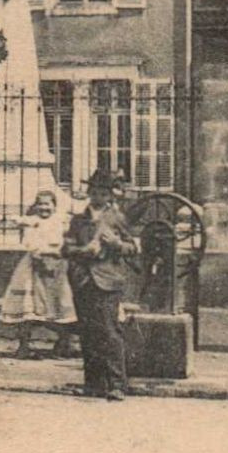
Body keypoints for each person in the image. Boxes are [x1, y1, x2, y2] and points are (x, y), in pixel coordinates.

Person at [61, 169, 139, 400]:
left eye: (103, 193)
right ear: (88, 193)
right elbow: (66, 249)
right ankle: (93, 384)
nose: (98, 197)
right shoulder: (78, 220)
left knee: (109, 332)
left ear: (110, 196)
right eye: (94, 192)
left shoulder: (117, 219)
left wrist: (116, 244)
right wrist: (82, 251)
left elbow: (132, 248)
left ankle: (117, 384)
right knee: (88, 333)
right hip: (83, 280)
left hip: (108, 281)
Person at [0, 189, 76, 359]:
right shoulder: (32, 223)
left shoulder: (61, 222)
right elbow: (29, 242)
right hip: (33, 265)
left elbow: (68, 240)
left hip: (57, 265)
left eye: (47, 204)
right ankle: (24, 345)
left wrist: (58, 252)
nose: (44, 208)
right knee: (27, 305)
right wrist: (38, 252)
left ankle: (63, 344)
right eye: (40, 204)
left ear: (55, 206)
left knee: (60, 304)